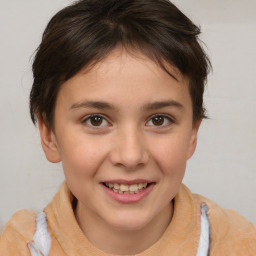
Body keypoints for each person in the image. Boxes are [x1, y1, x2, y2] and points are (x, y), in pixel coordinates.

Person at [0, 0, 255, 255]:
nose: (130, 156)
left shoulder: (240, 245)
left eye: (159, 120)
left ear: (192, 133)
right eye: (96, 120)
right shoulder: (15, 247)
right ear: (49, 135)